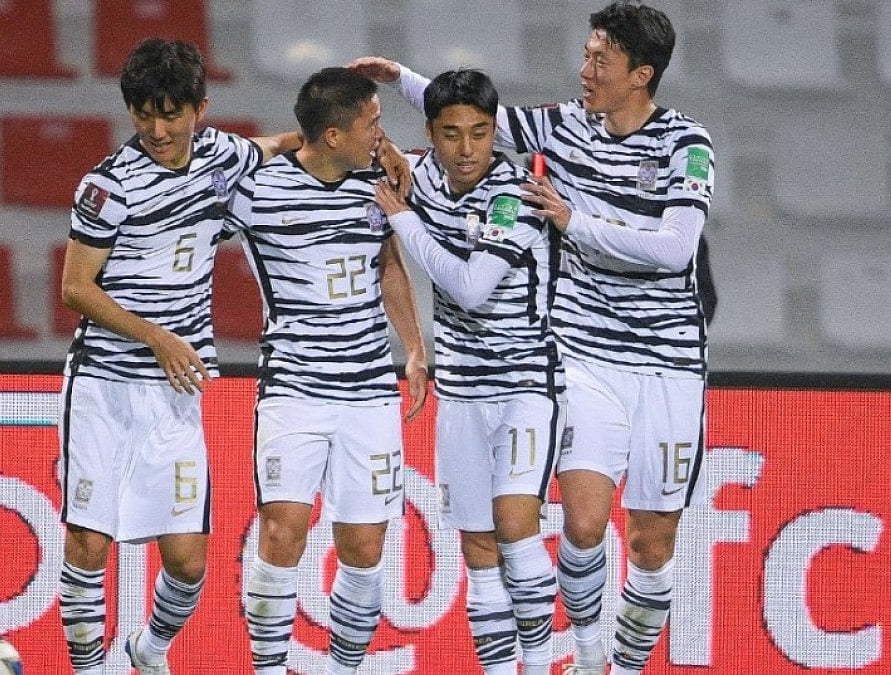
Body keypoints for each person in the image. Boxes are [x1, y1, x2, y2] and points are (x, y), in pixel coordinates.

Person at [351, 2, 715, 673]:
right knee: (580, 525)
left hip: (668, 364)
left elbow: (674, 250)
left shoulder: (686, 145)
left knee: (652, 544)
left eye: (600, 60)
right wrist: (398, 75)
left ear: (640, 74)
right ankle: (586, 650)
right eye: (586, 54)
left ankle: (625, 667)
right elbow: (480, 120)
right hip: (583, 355)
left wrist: (575, 222)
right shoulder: (567, 126)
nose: (584, 70)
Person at [55, 38, 303, 675]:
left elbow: (279, 147)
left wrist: (364, 146)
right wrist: (158, 337)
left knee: (190, 562)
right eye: (144, 114)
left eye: (171, 114)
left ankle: (149, 650)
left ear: (200, 109)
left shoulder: (221, 154)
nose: (157, 129)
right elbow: (76, 287)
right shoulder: (107, 187)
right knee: (88, 540)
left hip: (176, 393)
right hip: (106, 385)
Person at [227, 67, 428, 675]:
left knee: (365, 548)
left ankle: (344, 668)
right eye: (372, 124)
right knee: (282, 531)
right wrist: (286, 140)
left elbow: (390, 262)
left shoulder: (379, 182)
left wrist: (414, 346)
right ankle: (267, 666)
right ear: (334, 134)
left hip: (369, 390)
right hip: (294, 389)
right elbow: (196, 193)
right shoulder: (259, 190)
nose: (381, 134)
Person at [372, 69, 563, 675]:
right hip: (459, 391)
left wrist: (403, 220)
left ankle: (539, 665)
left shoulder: (515, 190)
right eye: (451, 134)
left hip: (524, 385)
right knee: (478, 545)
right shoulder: (417, 174)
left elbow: (472, 288)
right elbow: (364, 148)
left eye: (481, 133)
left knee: (514, 524)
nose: (467, 149)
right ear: (431, 132)